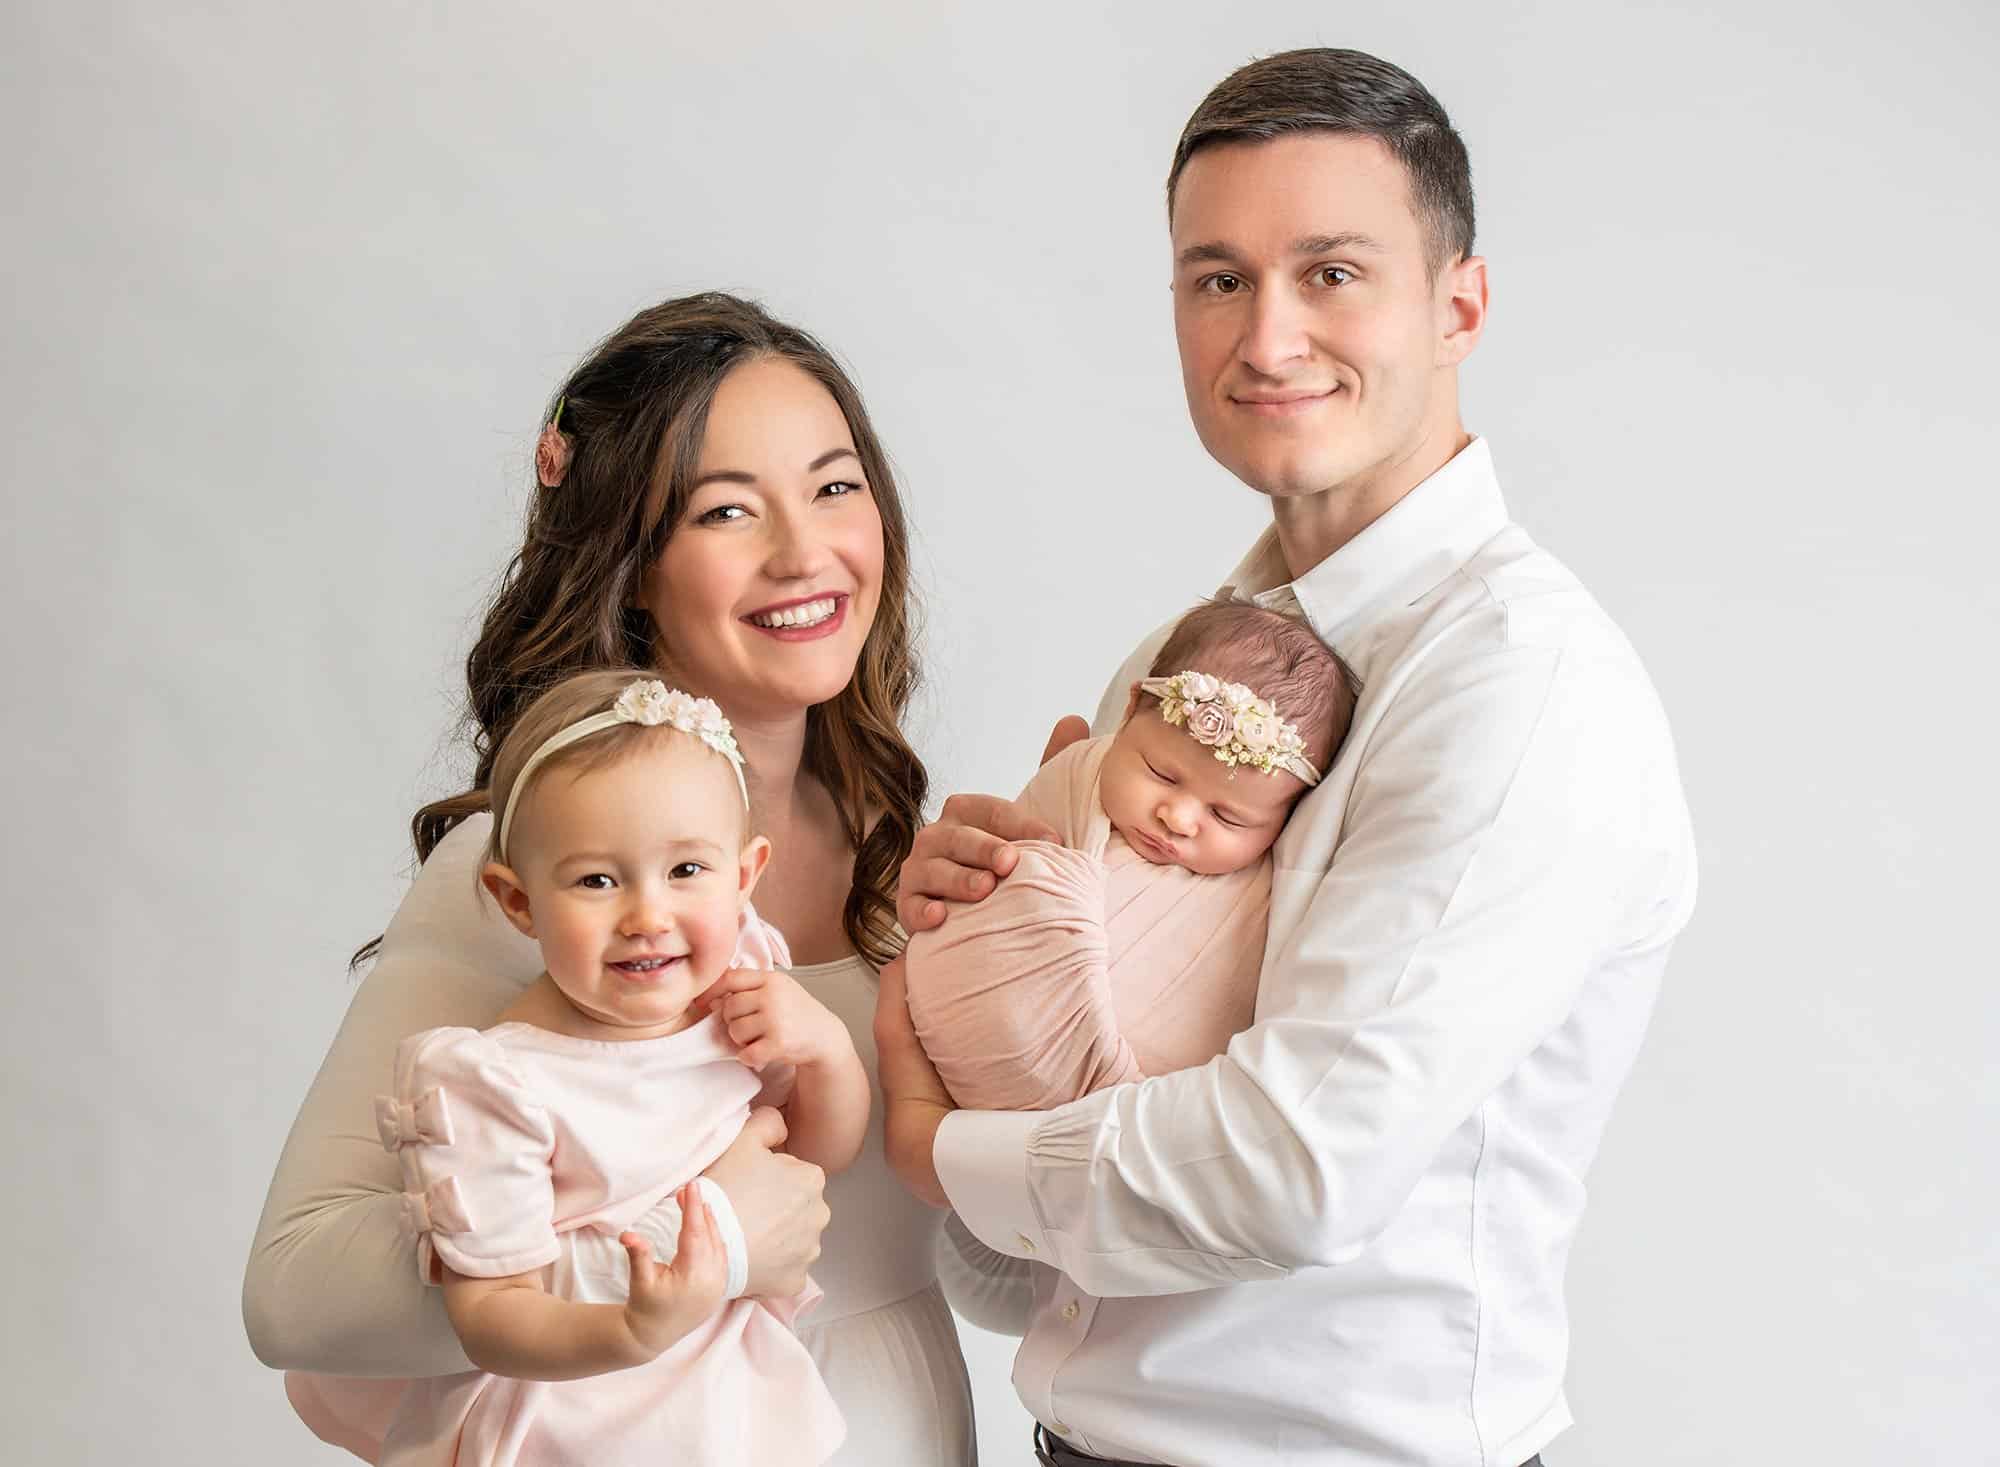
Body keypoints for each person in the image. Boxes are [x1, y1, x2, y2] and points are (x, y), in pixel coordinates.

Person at [878, 47, 1698, 1467]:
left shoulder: (1520, 684)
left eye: (1330, 272)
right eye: (1218, 278)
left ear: (1458, 305)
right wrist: (973, 960)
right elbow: (1040, 1278)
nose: (1265, 339)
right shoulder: (1177, 661)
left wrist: (934, 1145)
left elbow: (1297, 1169)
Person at [245, 293, 978, 1464]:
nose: (804, 552)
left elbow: (978, 1251)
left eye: (834, 488)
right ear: (631, 569)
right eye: (726, 509)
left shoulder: (903, 853)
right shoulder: (537, 882)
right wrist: (705, 1243)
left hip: (894, 1421)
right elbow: (294, 1292)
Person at [369, 669, 860, 1466]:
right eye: (597, 879)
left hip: (724, 1413)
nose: (647, 916)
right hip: (574, 1423)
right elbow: (490, 1313)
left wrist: (828, 1050)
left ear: (744, 876)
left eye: (686, 870)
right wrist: (629, 1328)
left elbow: (811, 1161)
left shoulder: (735, 996)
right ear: (519, 901)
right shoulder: (496, 1082)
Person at [905, 600, 1356, 1110]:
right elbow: (1003, 874)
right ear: (1129, 711)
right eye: (1162, 774)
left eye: (1228, 817)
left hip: (1116, 1108)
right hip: (974, 1013)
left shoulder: (1257, 897)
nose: (1178, 818)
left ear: (1288, 816)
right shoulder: (1083, 774)